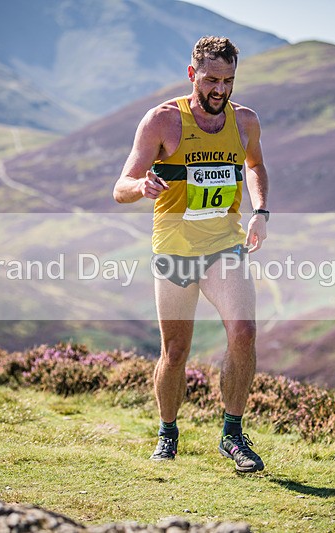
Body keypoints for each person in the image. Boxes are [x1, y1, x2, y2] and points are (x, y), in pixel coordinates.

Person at [113, 36, 270, 472]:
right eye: (212, 80)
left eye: (229, 81)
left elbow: (255, 166)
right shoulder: (162, 121)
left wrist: (260, 212)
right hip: (175, 249)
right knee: (175, 351)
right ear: (191, 74)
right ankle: (167, 431)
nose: (220, 90)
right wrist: (141, 186)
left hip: (224, 245)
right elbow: (120, 186)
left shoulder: (246, 122)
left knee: (243, 334)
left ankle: (232, 435)